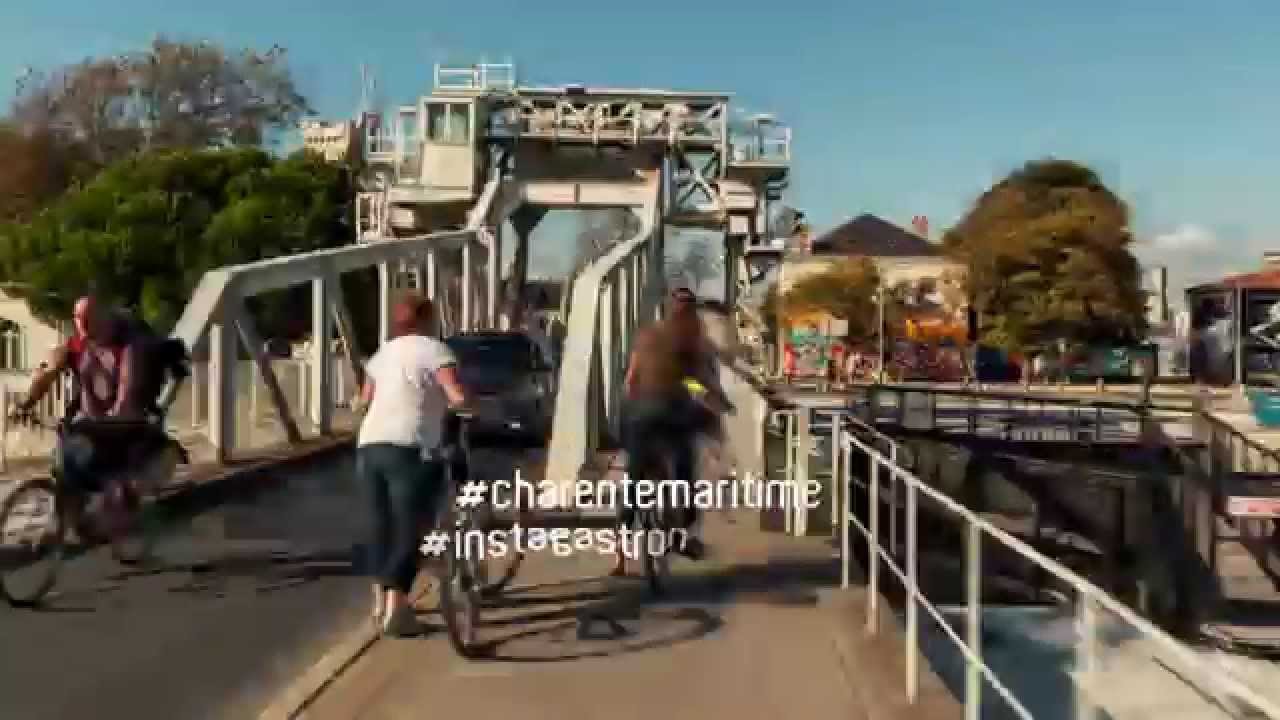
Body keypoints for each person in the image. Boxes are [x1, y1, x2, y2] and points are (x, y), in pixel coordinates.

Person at [356, 294, 468, 637]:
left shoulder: (382, 354)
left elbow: (363, 400)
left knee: (380, 526)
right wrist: (470, 406)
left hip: (370, 445)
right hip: (411, 446)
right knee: (415, 527)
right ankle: (396, 605)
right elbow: (456, 395)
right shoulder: (436, 350)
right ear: (427, 320)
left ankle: (380, 603)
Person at [11, 295, 157, 535]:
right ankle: (69, 519)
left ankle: (113, 508)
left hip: (123, 422)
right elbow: (47, 373)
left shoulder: (128, 349)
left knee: (101, 470)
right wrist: (26, 403)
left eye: (88, 318)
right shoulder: (76, 345)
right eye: (78, 318)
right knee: (65, 463)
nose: (83, 324)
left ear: (103, 317)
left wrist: (106, 422)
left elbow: (127, 396)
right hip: (89, 421)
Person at [612, 288, 726, 576]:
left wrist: (630, 409)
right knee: (685, 473)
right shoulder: (689, 340)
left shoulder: (646, 336)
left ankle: (620, 556)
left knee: (633, 481)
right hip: (672, 416)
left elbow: (630, 380)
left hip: (639, 416)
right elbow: (694, 382)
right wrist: (715, 401)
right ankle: (683, 536)